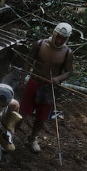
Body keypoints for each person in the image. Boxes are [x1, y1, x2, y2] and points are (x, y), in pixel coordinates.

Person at [20, 23, 74, 153]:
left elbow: (69, 72)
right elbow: (28, 61)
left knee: (42, 116)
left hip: (49, 89)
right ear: (54, 33)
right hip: (34, 82)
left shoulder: (67, 53)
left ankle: (32, 138)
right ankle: (10, 134)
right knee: (22, 111)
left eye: (63, 39)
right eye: (58, 37)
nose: (59, 40)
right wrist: (22, 78)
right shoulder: (39, 44)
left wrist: (58, 79)